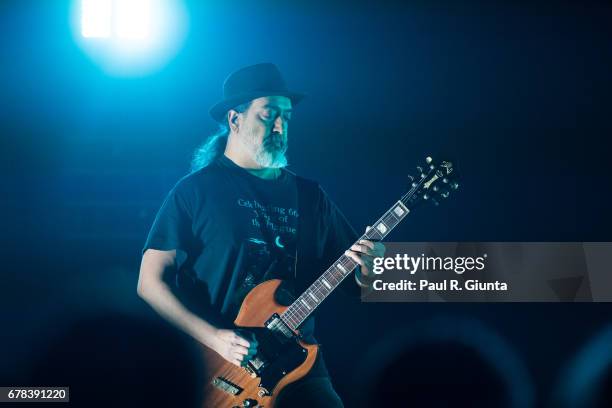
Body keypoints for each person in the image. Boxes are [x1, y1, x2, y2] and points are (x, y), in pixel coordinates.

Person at [137, 63, 385, 407]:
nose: (281, 126)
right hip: (218, 367)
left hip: (297, 362)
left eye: (286, 117)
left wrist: (370, 268)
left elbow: (355, 283)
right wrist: (215, 338)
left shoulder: (311, 198)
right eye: (269, 115)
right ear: (234, 120)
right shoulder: (195, 191)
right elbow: (150, 282)